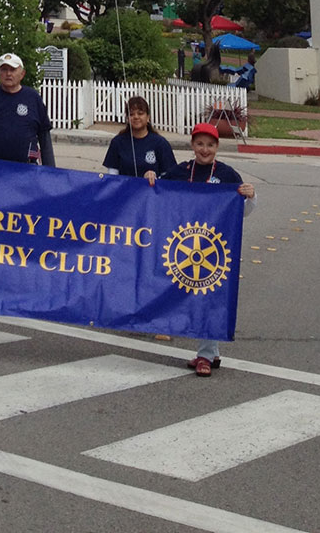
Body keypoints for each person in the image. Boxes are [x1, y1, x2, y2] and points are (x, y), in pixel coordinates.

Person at [159, 122, 255, 376]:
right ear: (192, 145)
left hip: (213, 248)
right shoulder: (180, 171)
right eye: (200, 144)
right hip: (182, 245)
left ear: (217, 147)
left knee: (209, 296)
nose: (204, 149)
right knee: (185, 294)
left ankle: (205, 355)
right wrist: (150, 179)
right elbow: (157, 194)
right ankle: (212, 353)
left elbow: (242, 211)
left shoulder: (227, 175)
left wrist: (251, 196)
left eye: (210, 145)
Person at [0, 54, 55, 166]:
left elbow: (44, 137)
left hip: (26, 169)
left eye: (13, 70)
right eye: (4, 69)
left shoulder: (33, 98)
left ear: (22, 74)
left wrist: (50, 170)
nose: (8, 74)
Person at [102, 96, 179, 184]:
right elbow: (112, 177)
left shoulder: (161, 143)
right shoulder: (117, 142)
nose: (136, 117)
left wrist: (155, 177)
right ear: (127, 118)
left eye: (140, 113)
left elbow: (169, 178)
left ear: (148, 117)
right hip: (125, 191)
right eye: (131, 114)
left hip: (152, 192)